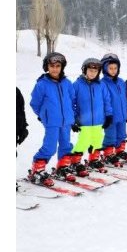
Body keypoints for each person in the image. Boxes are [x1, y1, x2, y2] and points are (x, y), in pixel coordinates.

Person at [27, 52, 76, 187]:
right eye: (52, 66)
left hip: (66, 121)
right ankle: (38, 169)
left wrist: (72, 115)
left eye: (58, 66)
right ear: (47, 67)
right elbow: (35, 103)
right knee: (50, 146)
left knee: (66, 144)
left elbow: (72, 100)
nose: (55, 69)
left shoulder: (67, 83)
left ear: (62, 67)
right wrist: (43, 115)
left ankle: (63, 167)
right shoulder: (42, 84)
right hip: (52, 122)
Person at [71, 58, 112, 174]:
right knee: (83, 141)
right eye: (90, 70)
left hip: (99, 121)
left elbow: (107, 100)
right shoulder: (77, 85)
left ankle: (94, 160)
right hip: (84, 122)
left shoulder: (101, 85)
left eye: (95, 71)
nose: (93, 73)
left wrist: (109, 115)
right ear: (84, 70)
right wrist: (73, 119)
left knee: (98, 141)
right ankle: (75, 162)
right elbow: (71, 103)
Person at [100, 53, 127, 166]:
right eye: (110, 68)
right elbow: (105, 101)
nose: (113, 70)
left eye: (115, 68)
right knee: (111, 135)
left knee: (121, 134)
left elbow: (124, 97)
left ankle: (120, 151)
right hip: (111, 116)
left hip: (122, 114)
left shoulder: (120, 82)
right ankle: (108, 153)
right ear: (105, 69)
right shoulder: (103, 83)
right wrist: (107, 115)